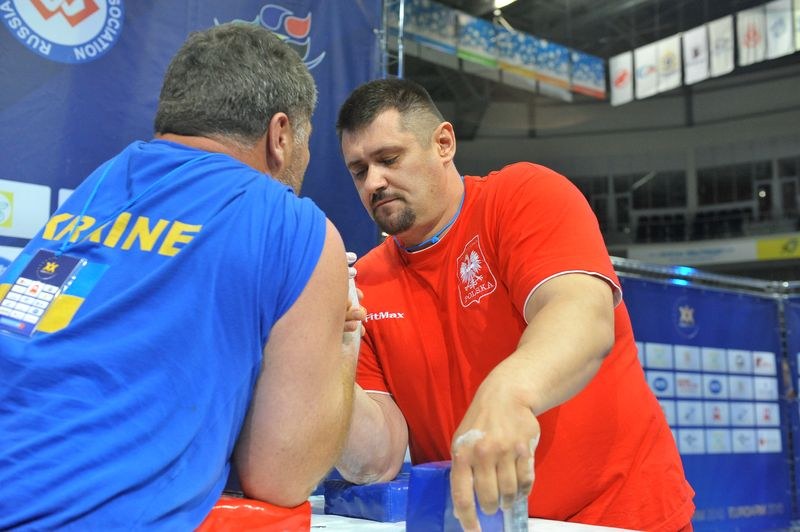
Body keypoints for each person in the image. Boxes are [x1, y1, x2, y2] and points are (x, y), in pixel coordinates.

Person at [0, 22, 359, 529]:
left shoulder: (99, 184)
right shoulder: (293, 224)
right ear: (280, 135)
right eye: (305, 140)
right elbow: (280, 476)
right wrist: (343, 341)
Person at [334, 78, 695, 532]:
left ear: (443, 143)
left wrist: (509, 391)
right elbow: (376, 460)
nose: (375, 182)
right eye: (358, 170)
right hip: (487, 524)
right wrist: (334, 361)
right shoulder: (362, 281)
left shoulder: (523, 196)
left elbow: (582, 315)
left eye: (388, 159)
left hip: (618, 515)